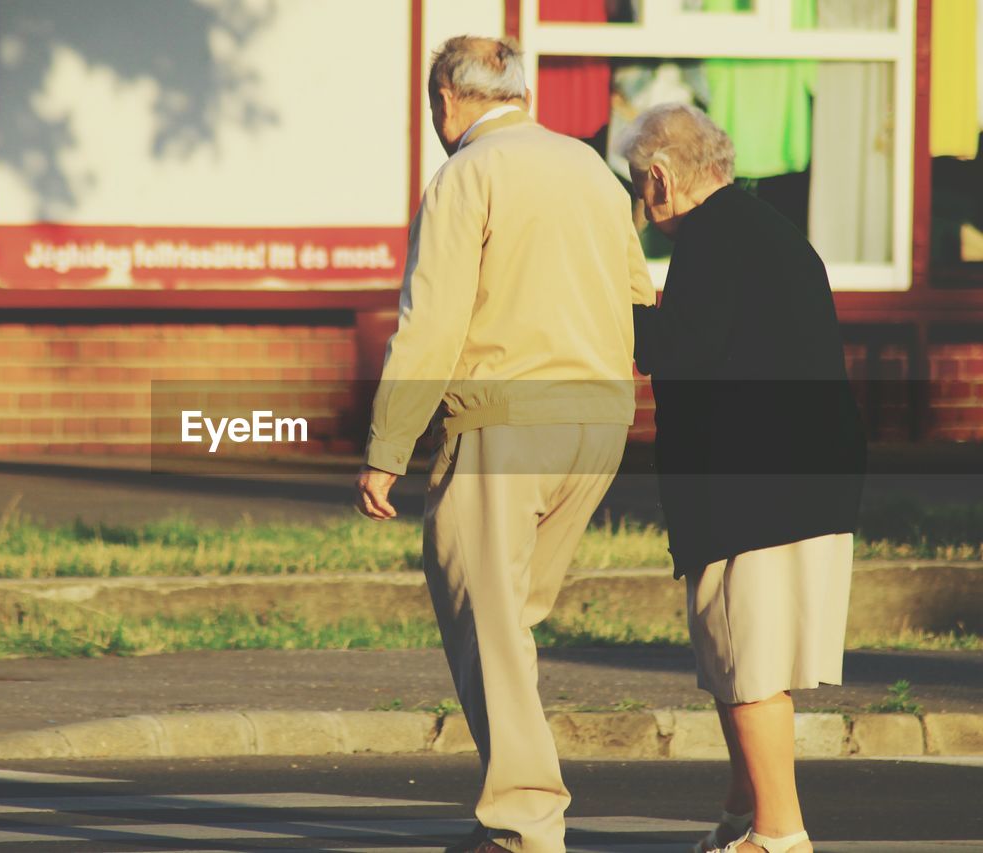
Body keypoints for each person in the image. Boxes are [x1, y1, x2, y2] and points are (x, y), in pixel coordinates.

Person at [354, 36, 654, 853]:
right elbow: (638, 290)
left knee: (487, 619)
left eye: (432, 108)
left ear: (449, 99)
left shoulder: (467, 175)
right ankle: (517, 821)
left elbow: (433, 322)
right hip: (597, 423)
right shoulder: (592, 170)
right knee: (510, 621)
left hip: (506, 420)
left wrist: (388, 445)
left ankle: (525, 823)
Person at [623, 103, 866, 853]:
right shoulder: (770, 231)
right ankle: (742, 807)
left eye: (638, 186)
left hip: (746, 491)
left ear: (661, 178)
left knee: (750, 663)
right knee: (740, 657)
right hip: (807, 479)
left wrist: (614, 303)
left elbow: (677, 347)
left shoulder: (709, 240)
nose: (639, 204)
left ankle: (779, 832)